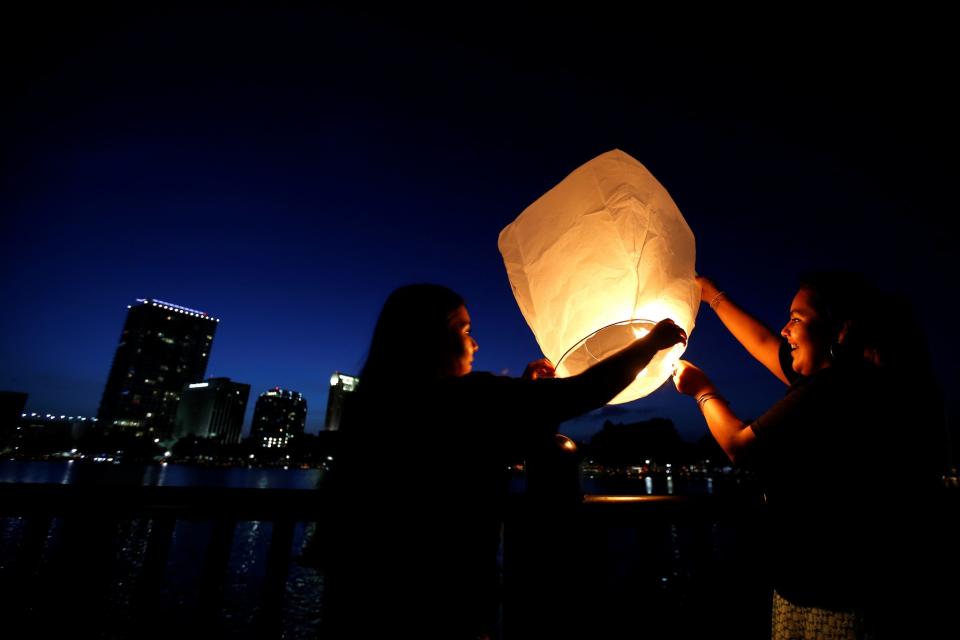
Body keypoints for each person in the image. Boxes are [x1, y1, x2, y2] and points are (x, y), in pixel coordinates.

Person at [316, 283, 686, 639]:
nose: (475, 342)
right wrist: (649, 344)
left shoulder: (375, 408)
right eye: (464, 329)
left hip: (357, 599)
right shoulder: (462, 398)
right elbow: (581, 392)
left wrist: (524, 397)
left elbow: (479, 444)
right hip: (443, 603)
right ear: (427, 337)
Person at [673, 272, 946, 639]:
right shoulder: (858, 384)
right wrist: (713, 296)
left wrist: (701, 391)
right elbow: (764, 342)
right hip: (825, 591)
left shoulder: (834, 390)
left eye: (797, 319)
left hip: (834, 601)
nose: (785, 330)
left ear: (841, 332)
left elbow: (740, 446)